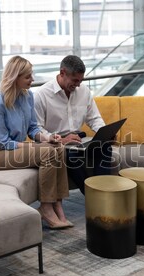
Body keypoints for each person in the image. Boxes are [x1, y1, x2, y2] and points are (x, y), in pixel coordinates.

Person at [0, 56, 73, 229]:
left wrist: (47, 138)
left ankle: (57, 205)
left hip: (14, 148)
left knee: (58, 147)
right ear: (15, 78)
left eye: (31, 75)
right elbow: (2, 142)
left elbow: (32, 128)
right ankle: (46, 207)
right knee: (47, 152)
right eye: (27, 77)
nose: (32, 80)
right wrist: (34, 146)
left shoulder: (27, 96)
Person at [34, 55, 113, 194]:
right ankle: (92, 195)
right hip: (55, 143)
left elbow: (94, 118)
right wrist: (62, 140)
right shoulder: (41, 95)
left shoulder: (83, 91)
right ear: (62, 73)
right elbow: (37, 130)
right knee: (71, 157)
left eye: (81, 80)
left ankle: (104, 191)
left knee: (104, 147)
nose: (78, 85)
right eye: (75, 80)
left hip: (78, 139)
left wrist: (105, 132)